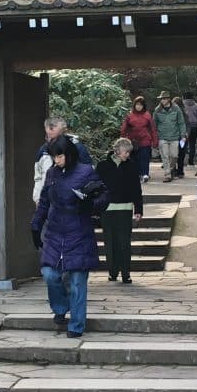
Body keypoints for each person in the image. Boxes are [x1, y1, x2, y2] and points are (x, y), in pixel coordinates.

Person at [31, 135, 108, 338]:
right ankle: (60, 306)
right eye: (54, 157)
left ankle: (76, 325)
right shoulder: (52, 174)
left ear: (69, 154)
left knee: (77, 282)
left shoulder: (86, 172)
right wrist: (36, 226)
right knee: (50, 275)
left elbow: (103, 197)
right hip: (56, 231)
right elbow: (45, 202)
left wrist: (91, 202)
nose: (57, 161)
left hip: (79, 231)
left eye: (59, 156)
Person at [96, 138, 142, 284]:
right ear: (117, 151)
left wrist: (138, 208)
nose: (127, 154)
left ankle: (126, 272)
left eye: (129, 152)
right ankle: (112, 271)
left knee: (124, 242)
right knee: (110, 242)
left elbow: (136, 189)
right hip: (107, 208)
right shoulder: (103, 166)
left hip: (125, 208)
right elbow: (96, 187)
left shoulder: (132, 166)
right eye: (125, 151)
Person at [33, 117, 93, 205]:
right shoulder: (43, 151)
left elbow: (89, 175)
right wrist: (38, 198)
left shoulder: (77, 148)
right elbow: (38, 176)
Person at [120, 95, 158, 183]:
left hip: (145, 140)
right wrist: (122, 139)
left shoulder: (147, 115)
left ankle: (145, 174)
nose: (139, 107)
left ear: (143, 106)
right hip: (132, 140)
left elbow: (153, 129)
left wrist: (155, 141)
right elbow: (124, 128)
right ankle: (136, 174)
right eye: (137, 105)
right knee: (134, 158)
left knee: (144, 157)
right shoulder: (129, 115)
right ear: (134, 105)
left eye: (140, 105)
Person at [153, 91, 186, 183]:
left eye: (164, 98)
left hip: (174, 136)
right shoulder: (157, 110)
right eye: (161, 99)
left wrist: (183, 135)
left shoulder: (176, 109)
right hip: (162, 136)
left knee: (174, 156)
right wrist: (154, 137)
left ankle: (171, 170)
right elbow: (154, 124)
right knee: (165, 156)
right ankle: (167, 174)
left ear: (168, 99)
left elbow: (181, 122)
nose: (162, 100)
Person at [181, 92, 197, 166]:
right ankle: (191, 161)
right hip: (194, 127)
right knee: (192, 145)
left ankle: (182, 160)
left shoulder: (182, 105)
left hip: (185, 127)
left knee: (183, 144)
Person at [173, 96, 187, 179]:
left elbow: (186, 125)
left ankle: (177, 170)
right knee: (180, 154)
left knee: (176, 154)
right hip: (181, 137)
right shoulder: (185, 113)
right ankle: (179, 171)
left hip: (179, 136)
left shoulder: (183, 114)